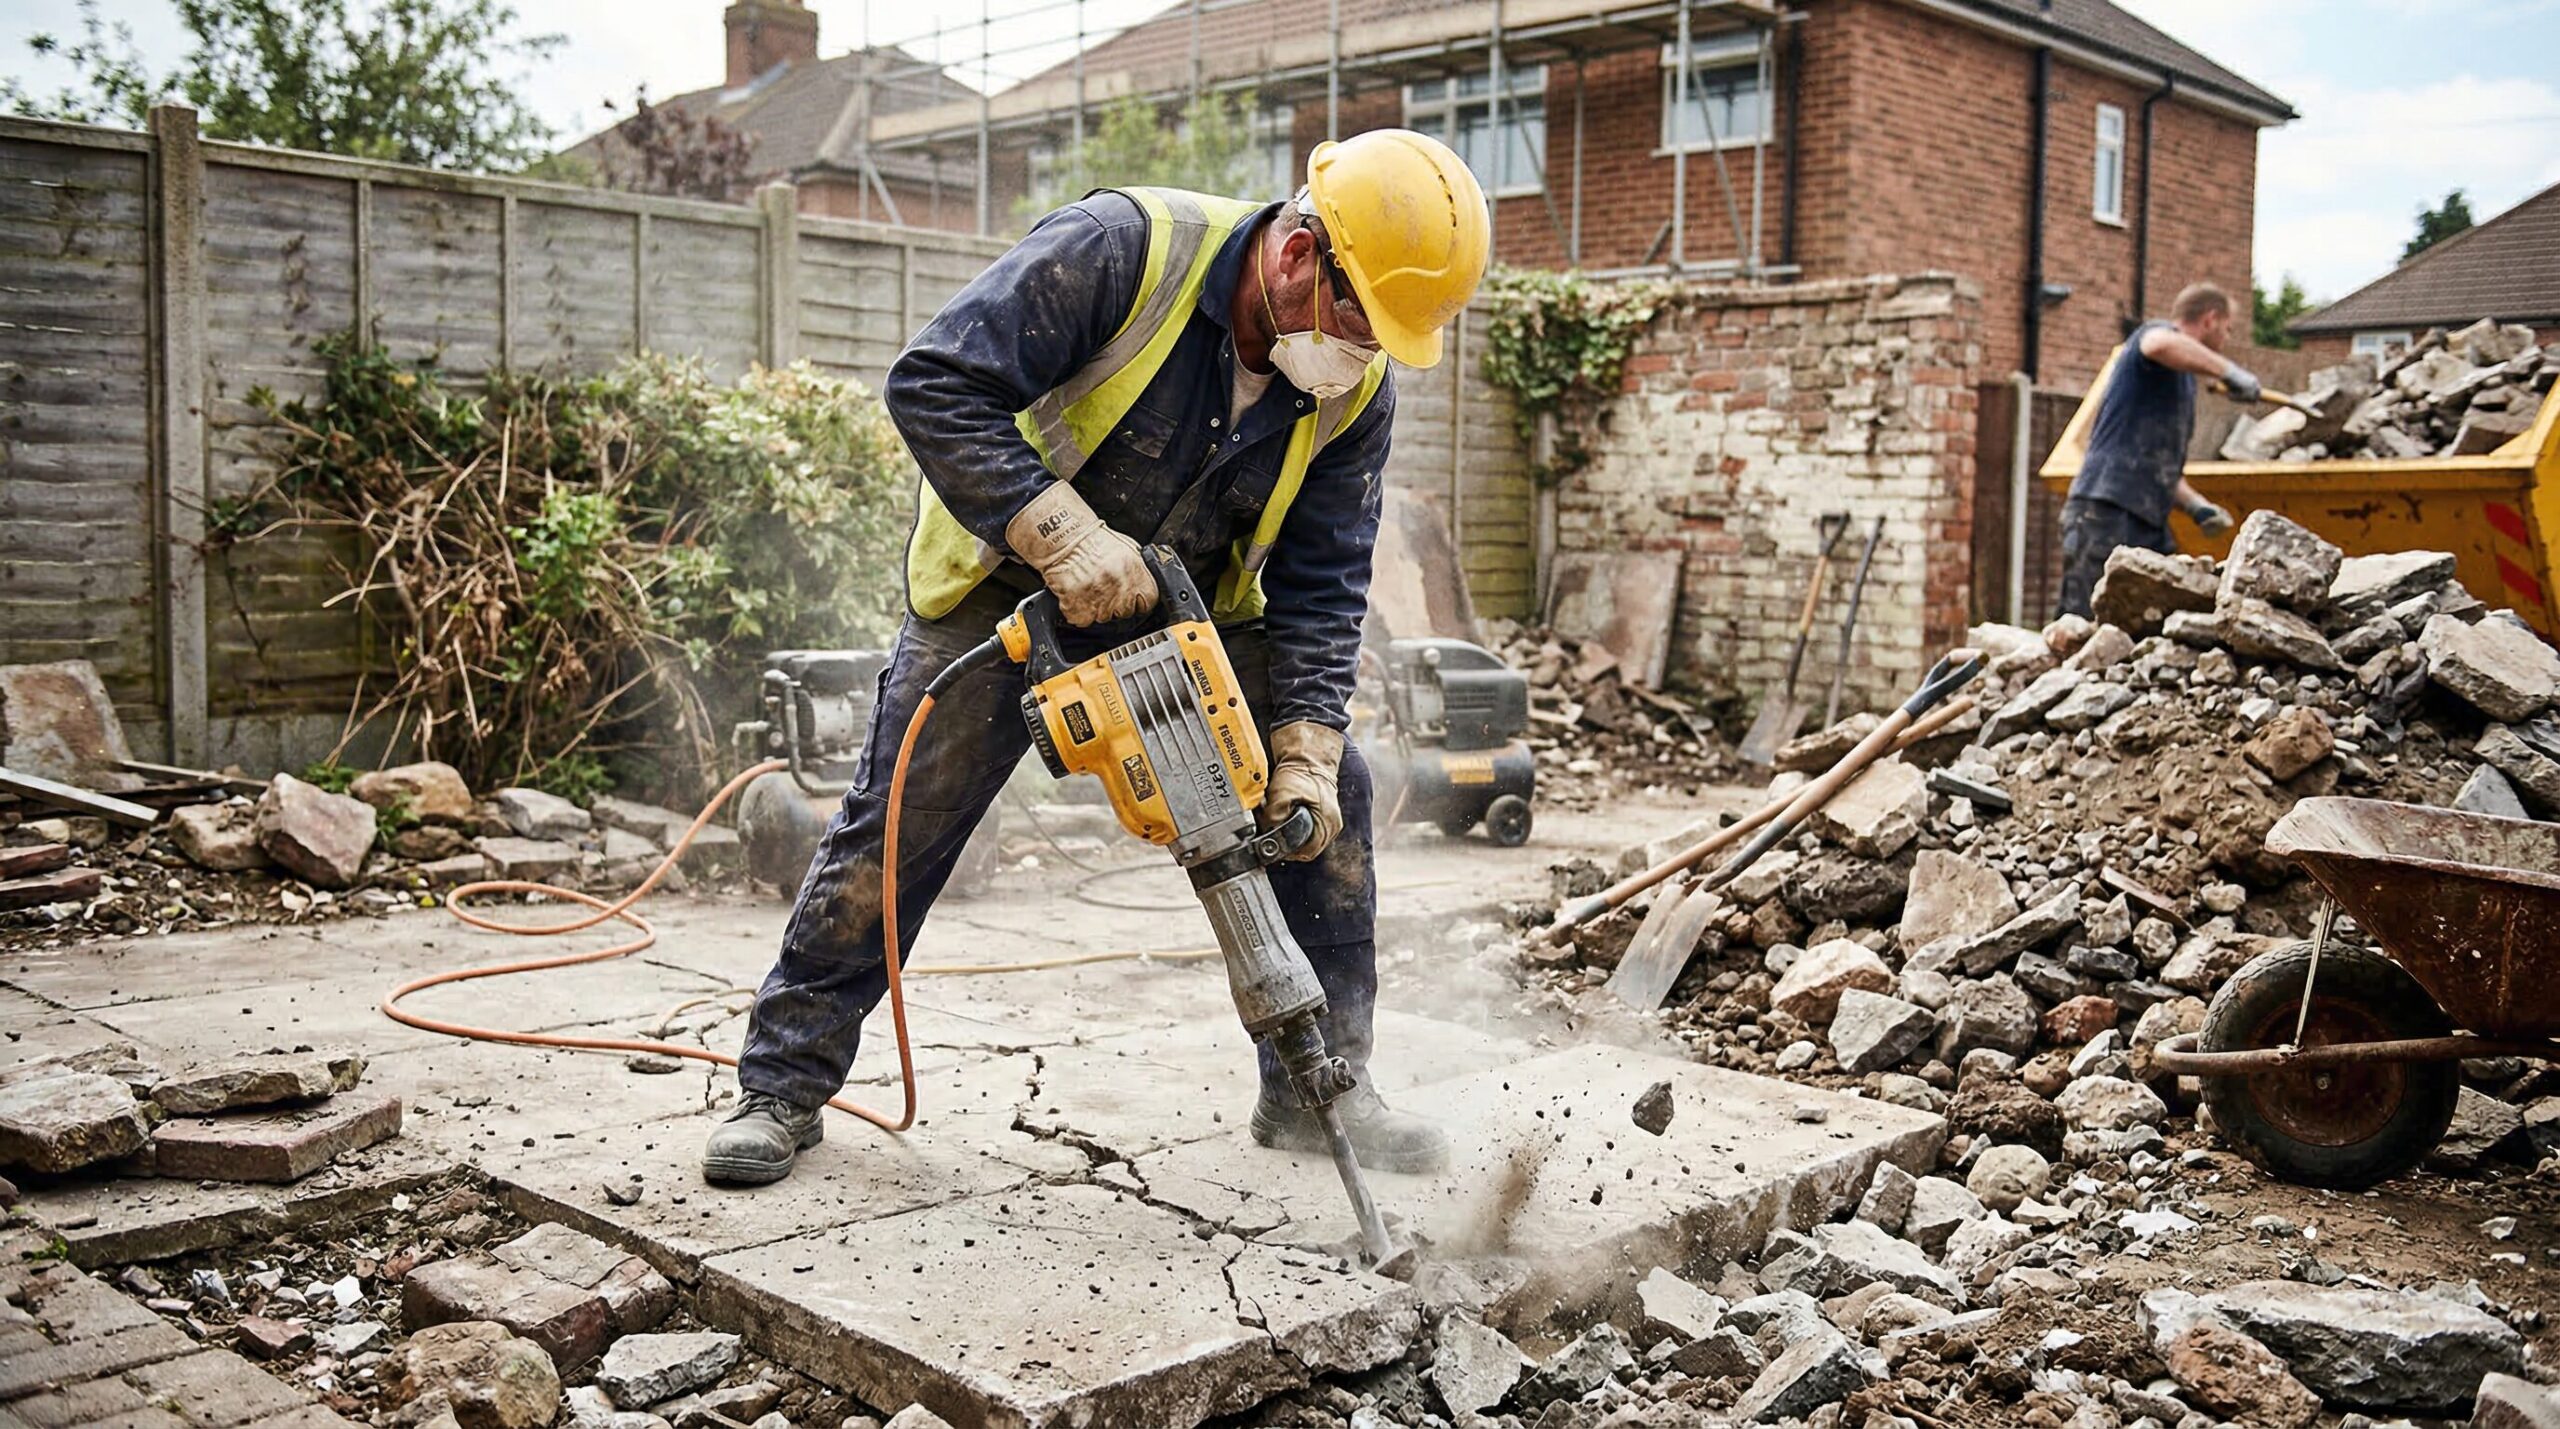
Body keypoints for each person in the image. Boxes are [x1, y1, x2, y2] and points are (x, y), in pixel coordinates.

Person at [700, 129, 1492, 1188]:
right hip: (1002, 583)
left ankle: (1321, 1087)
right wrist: (1062, 537)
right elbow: (934, 382)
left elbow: (1325, 577)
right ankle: (784, 1085)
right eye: (1359, 318)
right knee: (899, 820)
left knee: (1328, 801)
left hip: (1190, 611)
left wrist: (1302, 744)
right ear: (1299, 255)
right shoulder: (1122, 251)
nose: (1364, 350)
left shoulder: (1353, 390)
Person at [2056, 282, 2256, 618]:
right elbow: (2160, 343)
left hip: (2144, 517)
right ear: (2210, 319)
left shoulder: (2180, 381)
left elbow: (2155, 467)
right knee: (2086, 621)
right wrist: (2230, 371)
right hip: (2105, 512)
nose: (2227, 339)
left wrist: (2196, 506)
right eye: (2228, 329)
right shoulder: (2155, 337)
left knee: (2151, 618)